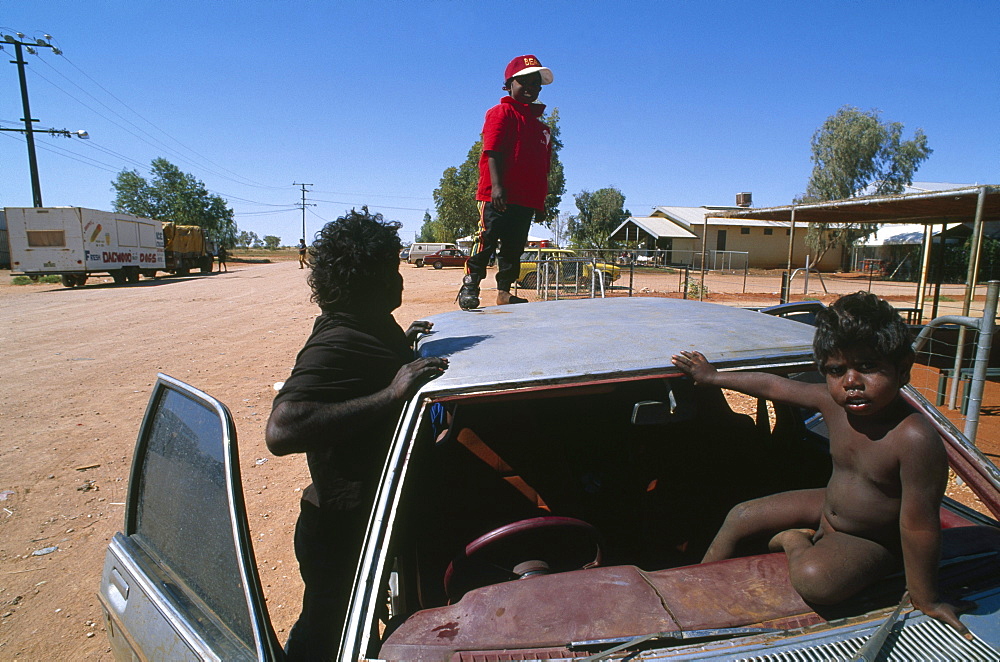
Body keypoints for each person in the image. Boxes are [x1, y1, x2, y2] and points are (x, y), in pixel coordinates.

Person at [670, 292, 970, 636]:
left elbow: (919, 526)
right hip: (828, 504)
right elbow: (773, 385)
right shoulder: (832, 403)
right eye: (836, 370)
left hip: (871, 537)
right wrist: (712, 377)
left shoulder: (913, 438)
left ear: (903, 369)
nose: (851, 382)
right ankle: (687, 588)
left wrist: (925, 597)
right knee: (742, 515)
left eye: (868, 367)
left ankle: (793, 540)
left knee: (817, 583)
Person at [266, 209, 449, 660]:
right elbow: (282, 429)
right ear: (365, 278)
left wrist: (401, 347)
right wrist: (392, 393)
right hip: (340, 530)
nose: (400, 281)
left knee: (352, 630)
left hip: (361, 521)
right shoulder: (339, 338)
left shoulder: (367, 322)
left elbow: (360, 370)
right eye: (390, 270)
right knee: (327, 636)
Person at [457, 54, 554, 310]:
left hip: (526, 199)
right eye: (524, 82)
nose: (530, 89)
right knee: (486, 239)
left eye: (536, 84)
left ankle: (504, 292)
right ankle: (470, 284)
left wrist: (540, 201)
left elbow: (543, 168)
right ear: (509, 84)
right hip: (496, 194)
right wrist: (497, 187)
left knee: (513, 247)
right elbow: (493, 150)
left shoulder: (543, 129)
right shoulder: (500, 113)